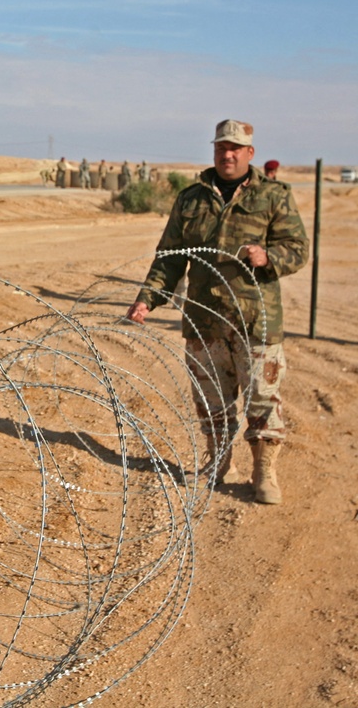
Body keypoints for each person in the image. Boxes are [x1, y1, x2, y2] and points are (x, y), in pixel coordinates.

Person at [126, 119, 309, 505]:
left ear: (249, 153)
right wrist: (148, 298)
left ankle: (264, 473)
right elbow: (169, 259)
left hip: (256, 321)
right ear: (214, 151)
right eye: (221, 148)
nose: (227, 155)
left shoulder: (273, 196)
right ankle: (220, 462)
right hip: (204, 319)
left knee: (262, 400)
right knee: (211, 401)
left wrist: (269, 255)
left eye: (235, 149)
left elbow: (297, 248)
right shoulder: (191, 198)